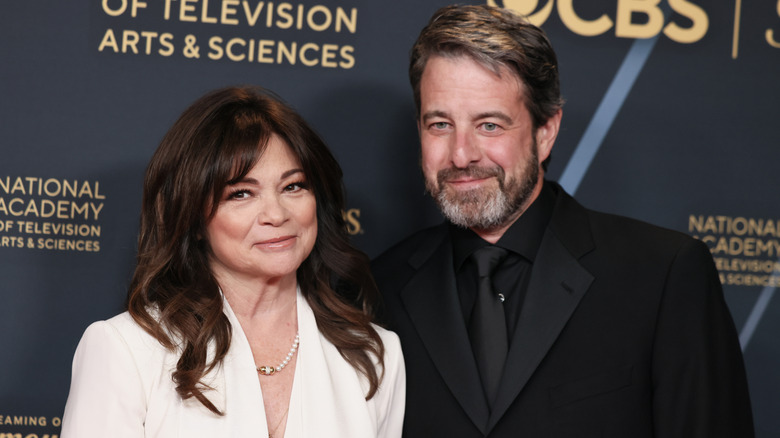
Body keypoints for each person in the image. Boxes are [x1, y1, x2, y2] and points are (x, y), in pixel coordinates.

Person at [371, 5, 753, 437]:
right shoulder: (376, 291)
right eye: (440, 124)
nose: (462, 155)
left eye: (490, 125)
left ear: (545, 131)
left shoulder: (662, 275)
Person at [62, 86, 405, 437]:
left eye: (293, 186)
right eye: (241, 193)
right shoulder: (126, 351)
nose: (276, 214)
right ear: (194, 218)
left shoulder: (374, 356)